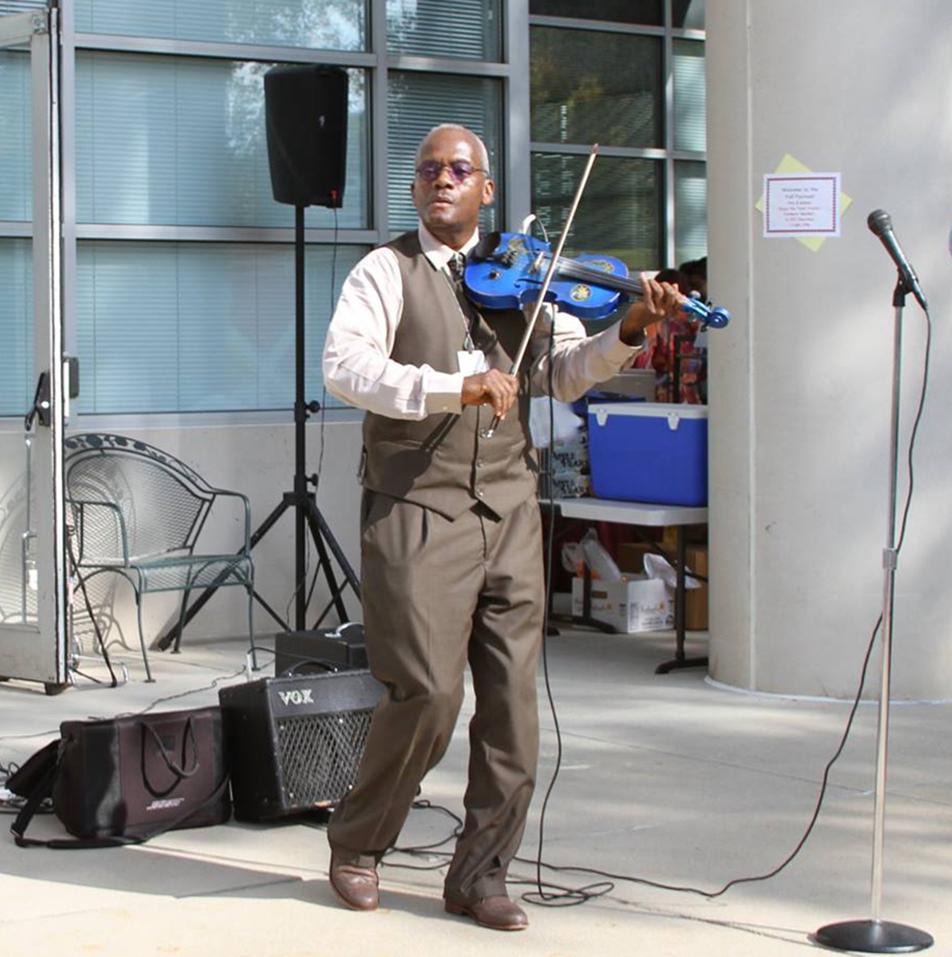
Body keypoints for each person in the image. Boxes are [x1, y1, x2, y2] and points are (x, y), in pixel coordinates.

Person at [321, 124, 684, 931]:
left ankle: (481, 872)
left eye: (459, 170)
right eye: (427, 171)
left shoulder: (529, 279)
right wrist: (458, 386)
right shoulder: (387, 270)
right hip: (418, 504)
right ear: (415, 189)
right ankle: (359, 840)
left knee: (514, 709)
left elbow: (560, 374)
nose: (440, 180)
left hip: (511, 508)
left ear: (487, 189)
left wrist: (628, 333)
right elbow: (345, 368)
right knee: (428, 692)